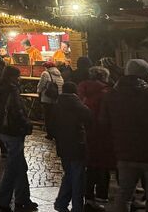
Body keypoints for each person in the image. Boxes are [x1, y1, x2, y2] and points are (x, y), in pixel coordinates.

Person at [103, 59, 148, 212]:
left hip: (124, 153)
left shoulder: (111, 96)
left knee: (124, 195)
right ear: (145, 75)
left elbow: (104, 123)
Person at [0, 66, 38, 212]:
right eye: (17, 76)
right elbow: (17, 111)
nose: (19, 79)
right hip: (14, 131)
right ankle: (3, 201)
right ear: (12, 77)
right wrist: (27, 124)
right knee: (13, 168)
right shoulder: (12, 90)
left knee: (20, 166)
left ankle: (23, 199)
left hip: (3, 130)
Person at [53, 81, 95, 212]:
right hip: (76, 143)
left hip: (62, 144)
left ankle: (61, 202)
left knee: (70, 174)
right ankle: (77, 207)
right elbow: (89, 117)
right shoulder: (76, 103)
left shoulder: (57, 104)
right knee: (77, 176)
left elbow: (51, 125)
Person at [78, 66, 114, 205]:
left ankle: (88, 193)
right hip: (103, 132)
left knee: (90, 164)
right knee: (103, 164)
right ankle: (101, 194)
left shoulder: (82, 90)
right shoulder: (106, 92)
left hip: (86, 132)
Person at [37, 61, 64, 138]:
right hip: (57, 97)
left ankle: (49, 134)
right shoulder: (59, 74)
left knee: (47, 116)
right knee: (54, 116)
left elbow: (41, 84)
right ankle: (56, 132)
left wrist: (38, 91)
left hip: (47, 98)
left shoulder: (45, 73)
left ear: (46, 67)